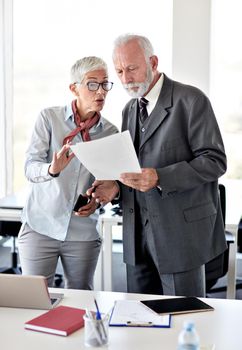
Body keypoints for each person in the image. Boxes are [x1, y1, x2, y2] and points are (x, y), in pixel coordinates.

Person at [88, 34, 227, 297]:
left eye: (131, 68)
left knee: (185, 319)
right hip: (136, 237)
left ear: (153, 61)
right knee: (138, 323)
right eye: (119, 71)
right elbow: (134, 166)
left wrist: (160, 177)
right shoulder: (130, 108)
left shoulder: (191, 100)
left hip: (180, 236)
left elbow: (215, 161)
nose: (126, 78)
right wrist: (115, 187)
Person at [18, 56, 118, 289]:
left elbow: (107, 183)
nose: (100, 91)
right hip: (40, 227)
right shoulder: (49, 118)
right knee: (35, 300)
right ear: (74, 88)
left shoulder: (111, 132)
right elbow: (30, 168)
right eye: (92, 84)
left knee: (80, 301)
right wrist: (52, 170)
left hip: (82, 233)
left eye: (105, 84)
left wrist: (97, 202)